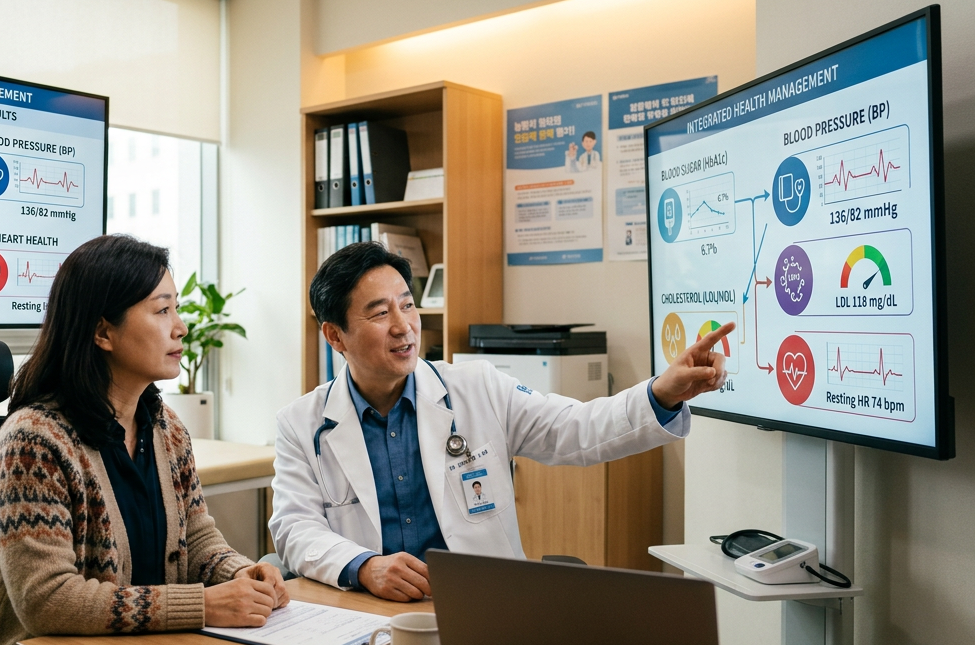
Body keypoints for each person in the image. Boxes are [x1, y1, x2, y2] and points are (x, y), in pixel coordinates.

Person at [0, 234, 288, 645]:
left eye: (178, 308)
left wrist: (241, 574)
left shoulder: (165, 428)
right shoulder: (34, 441)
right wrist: (206, 605)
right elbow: (48, 601)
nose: (181, 326)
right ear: (103, 332)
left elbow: (199, 538)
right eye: (162, 310)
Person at [270, 242, 732, 601]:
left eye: (407, 305)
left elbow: (576, 429)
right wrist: (364, 565)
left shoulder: (477, 388)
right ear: (335, 335)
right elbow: (294, 529)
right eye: (379, 312)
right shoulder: (301, 424)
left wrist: (662, 392)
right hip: (365, 612)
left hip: (483, 607)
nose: (403, 325)